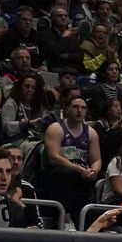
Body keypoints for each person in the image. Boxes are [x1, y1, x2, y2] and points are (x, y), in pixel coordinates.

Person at [40, 94, 101, 226]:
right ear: (67, 109)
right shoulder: (56, 128)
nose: (79, 111)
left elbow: (96, 160)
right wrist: (79, 169)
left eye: (83, 108)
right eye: (75, 107)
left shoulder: (91, 133)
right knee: (66, 174)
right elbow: (53, 157)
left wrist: (94, 171)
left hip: (80, 172)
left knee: (93, 179)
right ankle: (65, 217)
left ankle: (88, 222)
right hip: (58, 171)